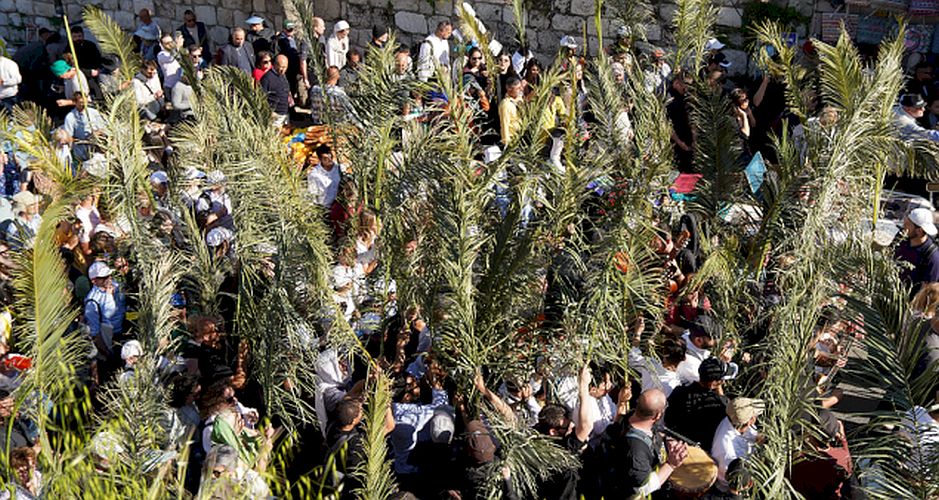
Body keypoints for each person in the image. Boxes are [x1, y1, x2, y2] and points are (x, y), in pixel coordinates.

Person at [597, 388, 688, 498]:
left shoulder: (632, 416)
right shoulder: (636, 451)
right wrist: (671, 464)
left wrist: (666, 440)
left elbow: (652, 429)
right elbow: (642, 488)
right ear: (657, 415)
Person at [665, 357, 731, 449]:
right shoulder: (719, 406)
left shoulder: (679, 391)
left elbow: (668, 419)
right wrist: (721, 396)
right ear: (713, 383)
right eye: (721, 380)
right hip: (697, 451)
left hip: (673, 443)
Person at [712, 398, 763, 489]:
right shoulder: (728, 453)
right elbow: (738, 479)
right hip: (733, 486)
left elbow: (754, 435)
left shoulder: (732, 420)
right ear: (752, 420)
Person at [676, 315, 738, 385]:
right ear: (699, 340)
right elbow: (708, 386)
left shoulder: (689, 334)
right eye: (714, 337)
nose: (718, 340)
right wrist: (719, 366)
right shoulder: (690, 363)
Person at [84, 261, 126, 361]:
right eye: (104, 277)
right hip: (111, 339)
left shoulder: (116, 286)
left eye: (109, 275)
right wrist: (108, 353)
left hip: (124, 330)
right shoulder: (92, 301)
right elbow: (95, 333)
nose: (109, 279)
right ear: (94, 281)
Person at [895, 207, 939, 294]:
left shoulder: (932, 257)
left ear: (919, 231)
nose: (904, 226)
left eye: (908, 224)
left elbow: (927, 291)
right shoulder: (901, 238)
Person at [61, 91, 107, 162]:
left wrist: (97, 133)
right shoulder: (70, 117)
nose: (83, 105)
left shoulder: (94, 113)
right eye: (80, 103)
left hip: (96, 148)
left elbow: (103, 128)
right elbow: (68, 137)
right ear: (75, 102)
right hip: (81, 150)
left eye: (84, 102)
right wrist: (82, 140)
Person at [275, 20, 310, 105]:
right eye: (288, 30)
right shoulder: (280, 41)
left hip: (294, 68)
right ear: (284, 29)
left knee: (294, 89)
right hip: (286, 68)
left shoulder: (294, 39)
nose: (290, 32)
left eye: (292, 29)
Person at [667, 69, 695, 172]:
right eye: (685, 87)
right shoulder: (668, 98)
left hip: (688, 139)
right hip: (676, 142)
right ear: (677, 83)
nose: (686, 90)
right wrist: (680, 143)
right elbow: (666, 124)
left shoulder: (684, 96)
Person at [260, 55, 291, 128]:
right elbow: (261, 96)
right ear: (275, 65)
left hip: (285, 113)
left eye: (285, 67)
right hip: (275, 115)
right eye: (281, 67)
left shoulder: (283, 75)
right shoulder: (267, 78)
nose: (282, 69)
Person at [156, 34, 182, 99]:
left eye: (171, 42)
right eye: (167, 43)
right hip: (170, 86)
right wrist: (177, 47)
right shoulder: (161, 54)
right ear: (162, 45)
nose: (170, 44)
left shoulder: (177, 51)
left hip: (180, 84)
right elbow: (171, 58)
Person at [499, 77, 523, 145]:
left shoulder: (519, 100)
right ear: (509, 89)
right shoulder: (505, 104)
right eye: (518, 88)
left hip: (521, 136)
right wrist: (506, 142)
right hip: (512, 138)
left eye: (520, 87)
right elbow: (504, 124)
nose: (520, 90)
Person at [0, 49, 22, 115]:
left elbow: (18, 79)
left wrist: (3, 81)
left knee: (10, 120)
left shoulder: (10, 64)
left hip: (8, 98)